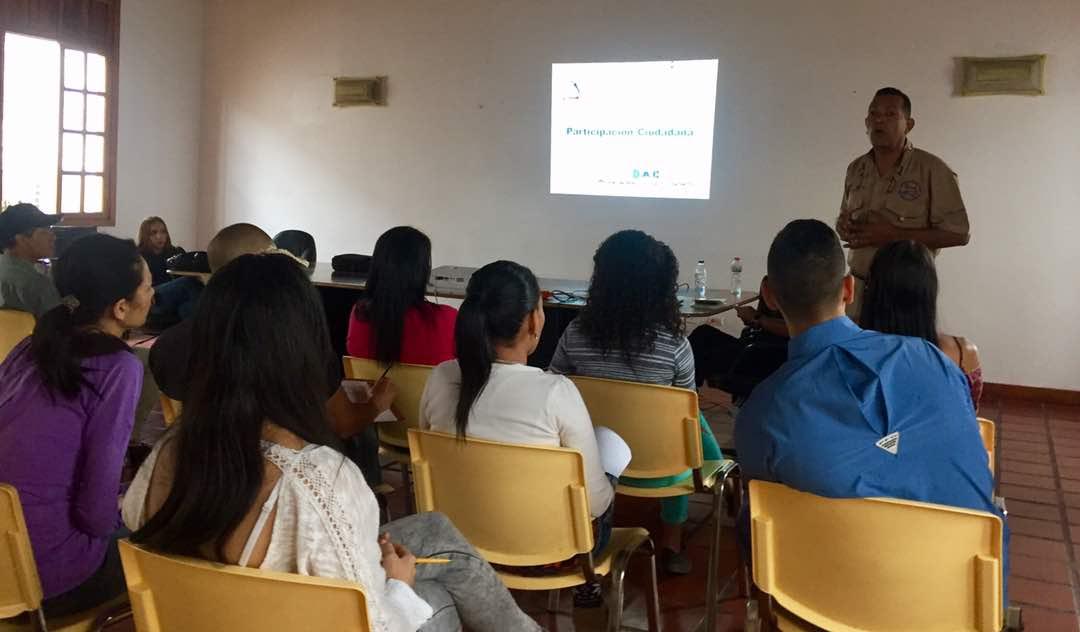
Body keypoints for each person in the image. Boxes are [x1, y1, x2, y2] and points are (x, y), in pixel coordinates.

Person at [123, 254, 539, 632]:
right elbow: (377, 626)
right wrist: (398, 585)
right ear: (303, 347)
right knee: (440, 597)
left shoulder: (166, 453)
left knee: (435, 529)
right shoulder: (319, 479)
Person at [734, 220, 1003, 570]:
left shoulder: (762, 413)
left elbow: (767, 513)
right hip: (965, 599)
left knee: (750, 519)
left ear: (768, 295)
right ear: (848, 289)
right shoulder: (932, 359)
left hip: (827, 607)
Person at [419, 260, 614, 607]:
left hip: (458, 543)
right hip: (553, 554)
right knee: (608, 469)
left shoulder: (440, 377)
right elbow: (595, 502)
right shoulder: (556, 392)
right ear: (533, 321)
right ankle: (588, 583)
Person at [147, 223, 385, 485]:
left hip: (205, 476)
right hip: (287, 480)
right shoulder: (293, 343)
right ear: (262, 268)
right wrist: (376, 405)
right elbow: (337, 423)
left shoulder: (167, 348)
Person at [548, 229, 721, 575]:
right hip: (661, 472)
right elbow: (687, 405)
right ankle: (674, 538)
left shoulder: (574, 334)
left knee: (680, 420)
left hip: (592, 460)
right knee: (685, 421)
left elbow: (552, 384)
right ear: (662, 289)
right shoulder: (675, 346)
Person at [0, 234, 154, 617]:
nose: (154, 294)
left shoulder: (28, 347)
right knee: (169, 542)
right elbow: (94, 516)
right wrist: (127, 506)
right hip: (44, 578)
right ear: (121, 307)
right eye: (149, 286)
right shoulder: (120, 369)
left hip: (5, 563)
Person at [836, 87, 970, 317]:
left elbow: (959, 234)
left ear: (909, 124)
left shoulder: (932, 170)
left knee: (903, 351)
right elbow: (844, 216)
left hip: (906, 293)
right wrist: (843, 225)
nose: (880, 120)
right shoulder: (856, 168)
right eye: (874, 114)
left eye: (890, 114)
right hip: (858, 289)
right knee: (859, 352)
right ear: (866, 122)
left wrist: (894, 235)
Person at [859, 240, 983, 410]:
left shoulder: (850, 351)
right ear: (930, 291)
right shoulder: (962, 354)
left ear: (872, 288)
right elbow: (969, 415)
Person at [346, 226, 457, 365]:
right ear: (422, 271)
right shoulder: (449, 318)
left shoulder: (360, 315)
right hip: (428, 387)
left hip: (378, 387)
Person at [687, 276, 788, 399]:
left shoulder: (785, 289)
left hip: (764, 357)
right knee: (703, 334)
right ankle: (689, 392)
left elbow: (791, 329)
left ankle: (687, 395)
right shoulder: (794, 288)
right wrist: (752, 319)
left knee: (700, 343)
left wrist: (757, 319)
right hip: (759, 348)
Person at [0, 202, 60, 317]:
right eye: (44, 232)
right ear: (21, 239)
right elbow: (57, 327)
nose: (53, 237)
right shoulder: (37, 284)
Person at [137, 216, 185, 287]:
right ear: (145, 236)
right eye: (154, 233)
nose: (159, 236)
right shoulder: (138, 256)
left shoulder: (176, 252)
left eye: (163, 232)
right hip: (151, 292)